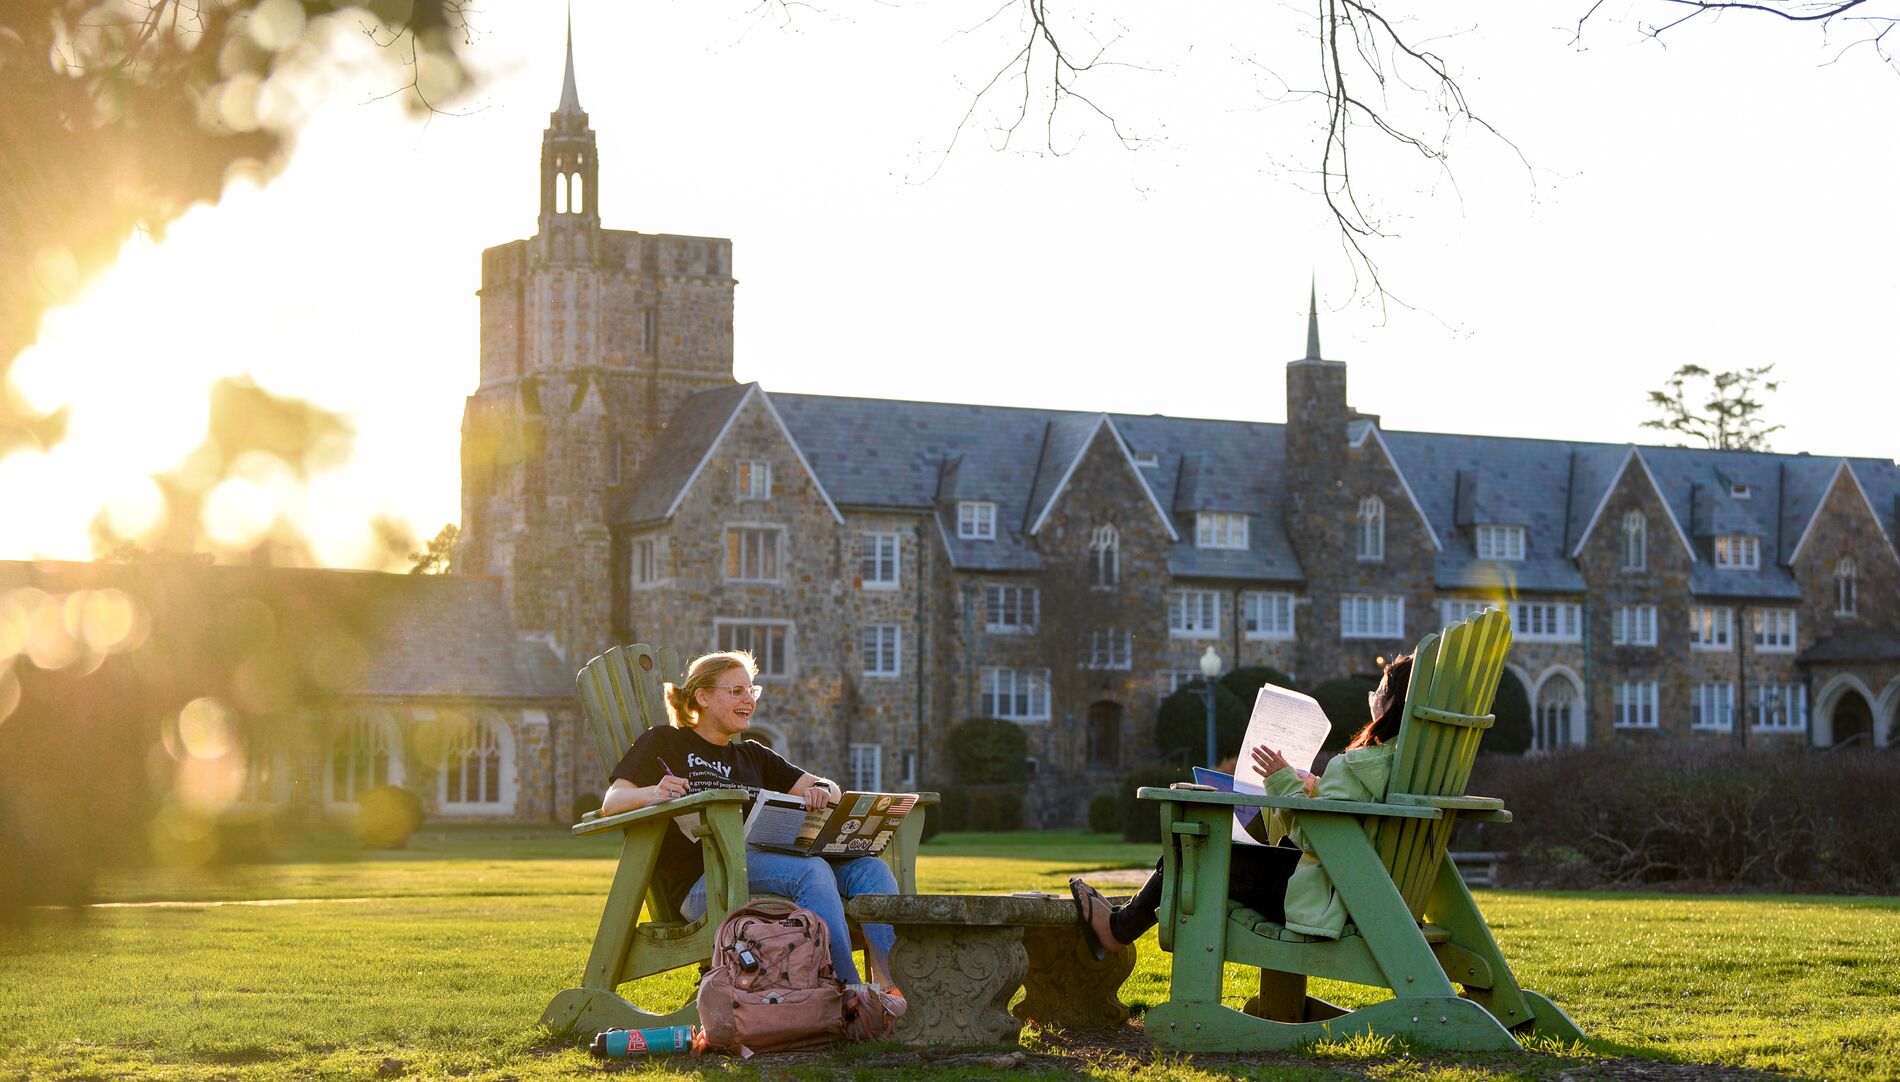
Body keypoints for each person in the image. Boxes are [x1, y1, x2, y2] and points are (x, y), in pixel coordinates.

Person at [599, 649, 900, 1002]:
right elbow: (611, 802)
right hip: (707, 883)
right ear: (703, 697)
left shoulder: (752, 754)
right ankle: (846, 993)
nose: (748, 700)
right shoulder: (666, 741)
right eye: (736, 691)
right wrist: (655, 791)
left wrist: (820, 791)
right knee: (813, 872)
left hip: (764, 863)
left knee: (871, 870)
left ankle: (892, 990)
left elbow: (829, 788)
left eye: (751, 691)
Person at [1070, 654, 1414, 954]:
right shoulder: (1401, 765)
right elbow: (1359, 819)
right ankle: (1122, 920)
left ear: (1393, 703)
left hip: (1324, 900)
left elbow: (1321, 838)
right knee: (1190, 851)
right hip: (1360, 893)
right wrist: (1315, 788)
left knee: (1190, 851)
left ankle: (1116, 931)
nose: (1372, 700)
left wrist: (1282, 782)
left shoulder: (1356, 765)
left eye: (1379, 692)